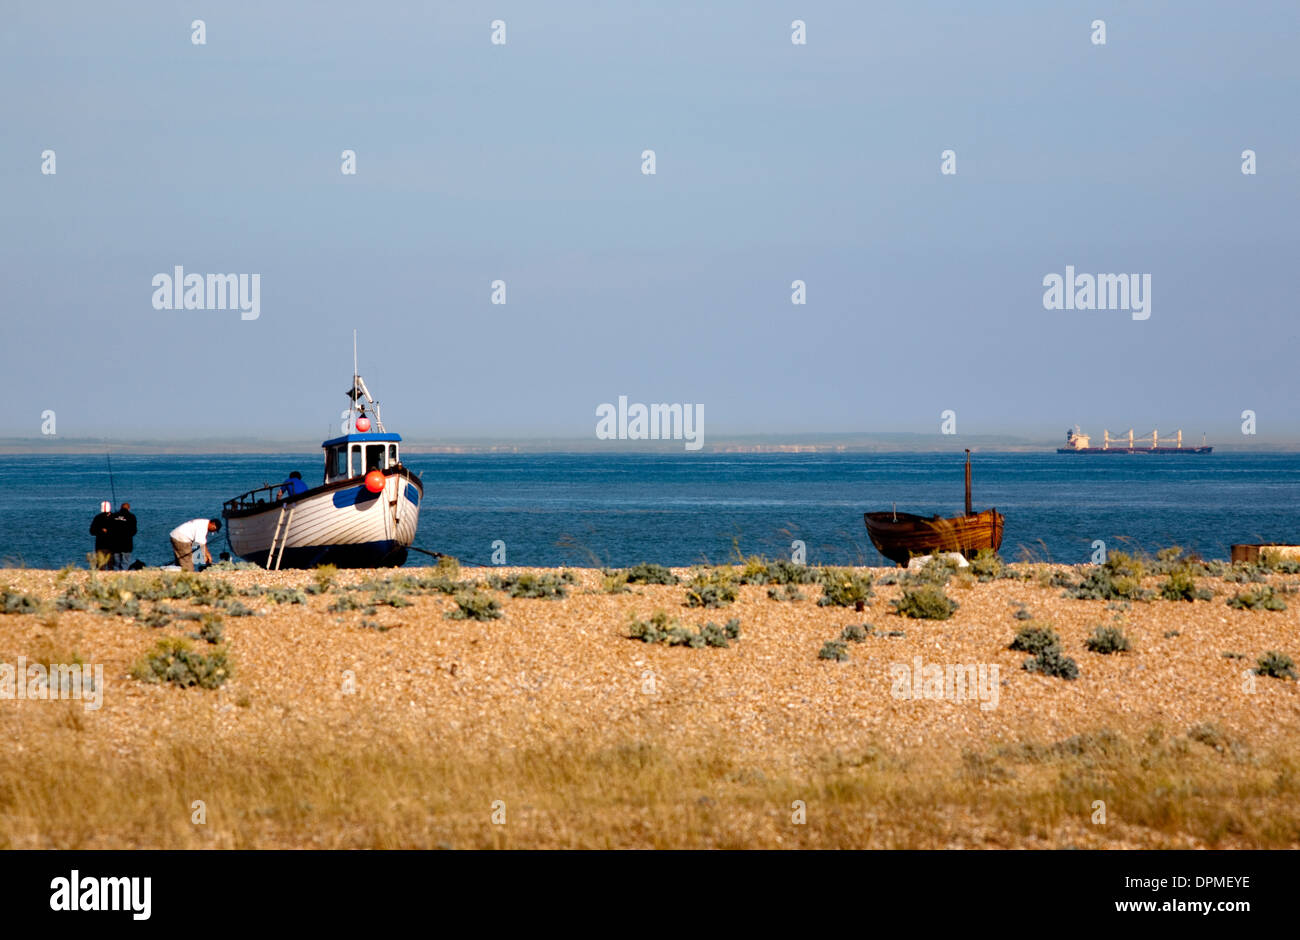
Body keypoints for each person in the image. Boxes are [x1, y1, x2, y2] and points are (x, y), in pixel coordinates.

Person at [88, 501, 116, 570]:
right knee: (111, 565)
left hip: (100, 545)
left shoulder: (97, 518)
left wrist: (100, 531)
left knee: (100, 565)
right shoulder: (114, 517)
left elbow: (92, 531)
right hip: (112, 545)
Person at [109, 501, 137, 571]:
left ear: (120, 507)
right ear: (129, 508)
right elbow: (134, 531)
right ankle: (123, 577)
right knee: (125, 562)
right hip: (126, 544)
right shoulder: (131, 516)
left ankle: (115, 577)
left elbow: (110, 529)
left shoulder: (113, 516)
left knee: (116, 563)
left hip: (115, 544)